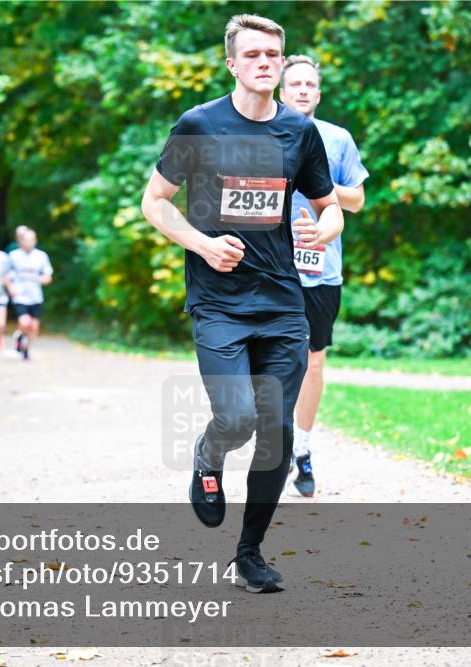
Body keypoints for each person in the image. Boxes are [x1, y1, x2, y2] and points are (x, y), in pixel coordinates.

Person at [140, 14, 343, 593]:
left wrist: (324, 232)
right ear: (232, 63)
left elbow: (329, 206)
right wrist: (202, 244)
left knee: (275, 429)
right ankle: (209, 454)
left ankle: (249, 553)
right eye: (252, 54)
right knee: (237, 417)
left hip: (282, 303)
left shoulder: (298, 133)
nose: (264, 63)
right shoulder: (199, 125)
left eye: (273, 55)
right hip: (219, 304)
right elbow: (155, 203)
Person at [279, 54, 369, 497]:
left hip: (321, 269)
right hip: (271, 267)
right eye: (294, 83)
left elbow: (357, 201)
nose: (302, 90)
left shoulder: (337, 139)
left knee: (314, 361)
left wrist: (317, 184)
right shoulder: (263, 133)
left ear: (318, 92)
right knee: (269, 360)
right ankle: (273, 441)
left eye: (309, 84)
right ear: (280, 89)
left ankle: (302, 447)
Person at [5, 226, 53, 360]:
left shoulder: (41, 256)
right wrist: (10, 288)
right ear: (21, 241)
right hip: (20, 296)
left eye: (31, 240)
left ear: (35, 241)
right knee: (25, 322)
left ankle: (27, 350)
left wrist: (41, 279)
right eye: (26, 240)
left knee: (34, 327)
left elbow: (48, 277)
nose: (29, 243)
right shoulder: (13, 256)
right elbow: (5, 275)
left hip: (35, 296)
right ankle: (20, 335)